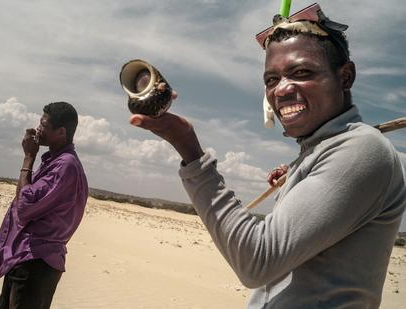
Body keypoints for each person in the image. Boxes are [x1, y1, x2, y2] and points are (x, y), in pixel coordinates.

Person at [129, 3, 406, 308]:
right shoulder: (322, 152)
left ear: (345, 77)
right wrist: (302, 172)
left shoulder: (363, 148)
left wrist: (189, 149)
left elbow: (257, 260)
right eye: (271, 80)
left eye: (301, 72)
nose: (282, 89)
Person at [0, 102, 89, 309]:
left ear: (61, 132)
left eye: (44, 125)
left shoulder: (64, 166)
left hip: (35, 264)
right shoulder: (56, 161)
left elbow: (23, 208)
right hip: (27, 259)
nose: (38, 129)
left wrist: (28, 158)